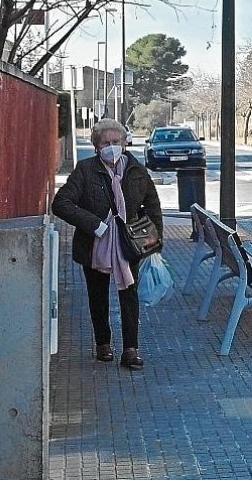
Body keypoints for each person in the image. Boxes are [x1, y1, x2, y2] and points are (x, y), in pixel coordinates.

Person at [53, 119, 162, 370]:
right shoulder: (85, 170)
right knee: (98, 296)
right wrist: (94, 224)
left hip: (129, 242)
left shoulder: (136, 170)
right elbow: (61, 203)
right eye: (105, 143)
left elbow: (153, 204)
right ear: (96, 146)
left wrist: (153, 242)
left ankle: (130, 350)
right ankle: (103, 343)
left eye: (116, 142)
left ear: (125, 143)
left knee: (129, 295)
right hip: (94, 243)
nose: (111, 146)